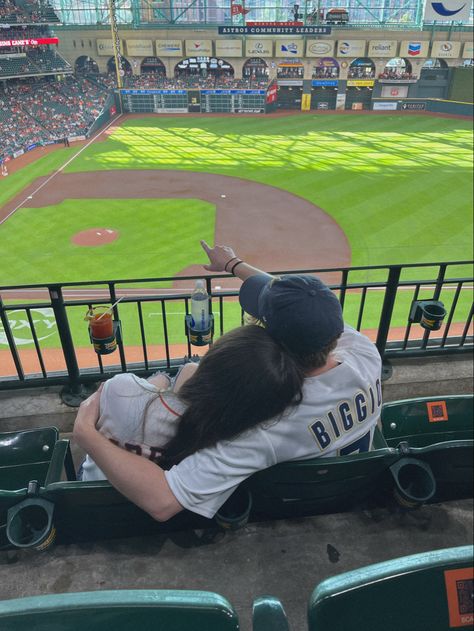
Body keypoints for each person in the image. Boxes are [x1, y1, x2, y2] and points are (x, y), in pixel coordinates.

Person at [74, 241, 382, 522]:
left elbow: (163, 502)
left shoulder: (267, 427)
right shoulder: (363, 353)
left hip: (298, 504)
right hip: (348, 484)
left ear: (272, 344)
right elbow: (301, 312)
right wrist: (234, 265)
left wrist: (86, 433)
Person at [80, 325, 303, 481]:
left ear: (215, 358)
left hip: (94, 486)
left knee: (169, 375)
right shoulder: (239, 444)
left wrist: (164, 382)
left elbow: (104, 403)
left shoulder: (122, 389)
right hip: (164, 517)